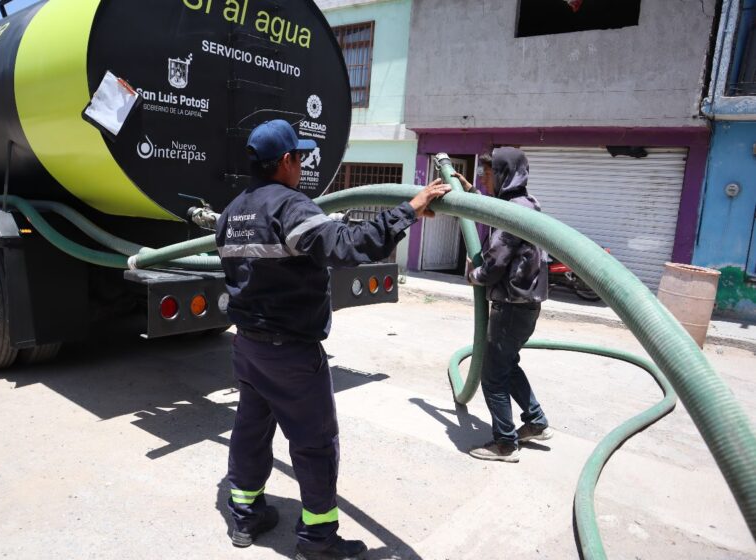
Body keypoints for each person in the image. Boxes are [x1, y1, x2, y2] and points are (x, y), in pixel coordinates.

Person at [215, 119, 451, 559]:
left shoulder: (231, 214)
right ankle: (319, 540)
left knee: (250, 429)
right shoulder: (290, 206)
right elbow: (349, 247)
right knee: (314, 442)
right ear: (285, 160)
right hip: (290, 352)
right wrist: (411, 208)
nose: (303, 166)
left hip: (247, 347)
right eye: (300, 158)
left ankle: (245, 516)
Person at [453, 147, 553, 463]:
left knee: (493, 375)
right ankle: (535, 421)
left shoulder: (512, 214)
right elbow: (496, 209)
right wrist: (470, 193)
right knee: (507, 364)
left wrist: (474, 274)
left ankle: (505, 444)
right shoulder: (525, 203)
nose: (484, 179)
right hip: (526, 305)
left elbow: (495, 264)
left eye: (487, 174)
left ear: (502, 174)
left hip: (511, 305)